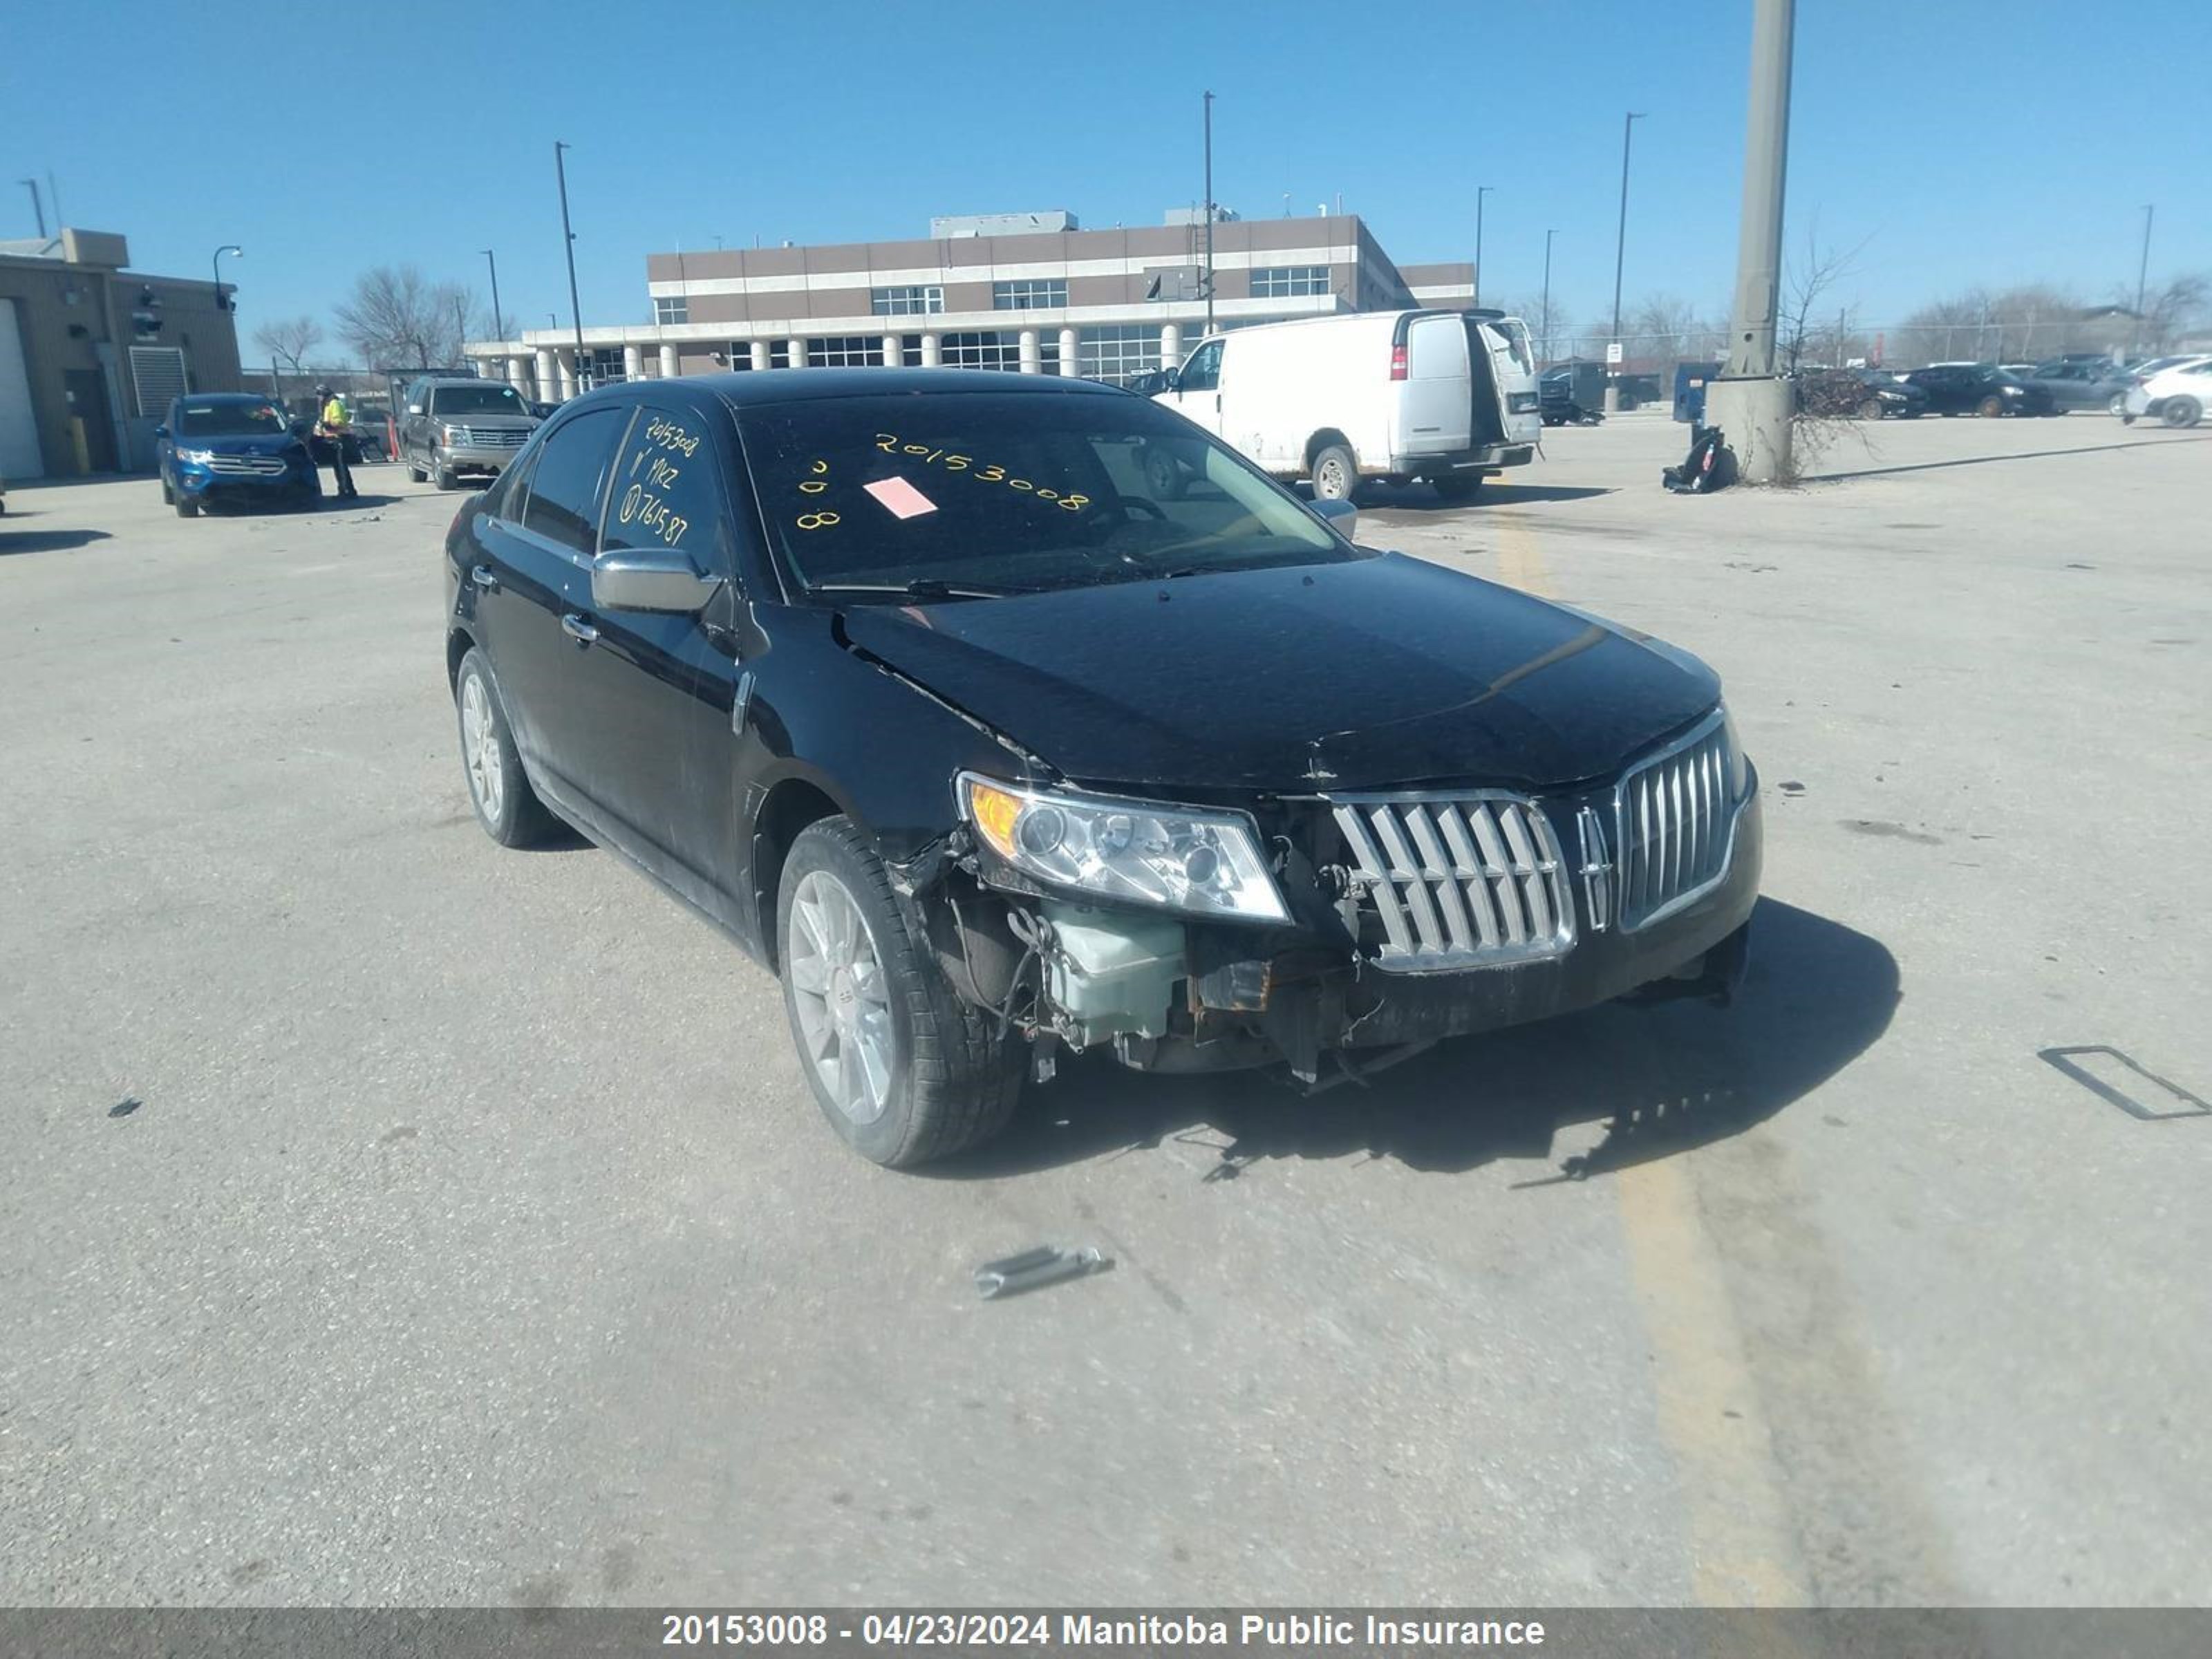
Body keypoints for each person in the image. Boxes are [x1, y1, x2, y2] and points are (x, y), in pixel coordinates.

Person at [315, 383, 358, 500]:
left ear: (323, 394)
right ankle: (343, 490)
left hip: (339, 438)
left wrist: (327, 424)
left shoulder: (334, 403)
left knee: (341, 467)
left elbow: (338, 421)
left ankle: (348, 491)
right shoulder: (328, 405)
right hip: (331, 439)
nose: (318, 398)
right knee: (338, 467)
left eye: (319, 395)